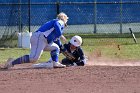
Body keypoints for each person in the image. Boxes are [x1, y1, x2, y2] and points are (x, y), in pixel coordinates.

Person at [3, 12, 69, 69]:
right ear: (64, 20)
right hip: (40, 38)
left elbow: (57, 42)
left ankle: (55, 62)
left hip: (42, 39)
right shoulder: (60, 21)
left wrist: (62, 48)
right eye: (65, 24)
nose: (64, 26)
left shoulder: (54, 29)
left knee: (55, 48)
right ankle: (12, 62)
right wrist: (61, 34)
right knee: (33, 58)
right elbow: (57, 24)